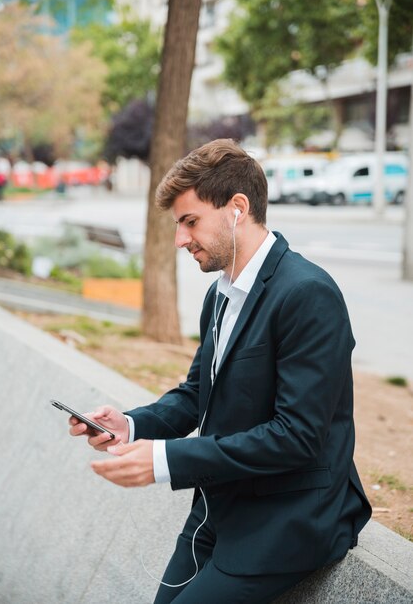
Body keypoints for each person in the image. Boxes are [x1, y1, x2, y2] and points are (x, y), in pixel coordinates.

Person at [69, 139, 371, 603]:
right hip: (219, 507)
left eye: (190, 222)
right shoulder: (221, 293)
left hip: (287, 519)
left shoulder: (309, 294)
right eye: (178, 225)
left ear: (237, 208)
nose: (180, 240)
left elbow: (298, 436)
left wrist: (165, 460)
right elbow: (196, 394)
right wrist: (130, 424)